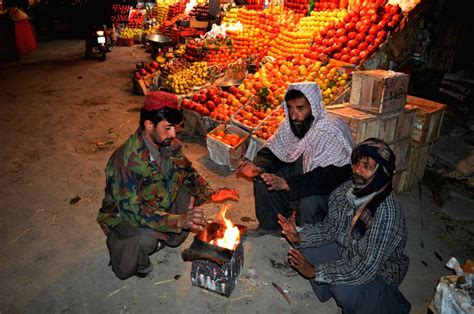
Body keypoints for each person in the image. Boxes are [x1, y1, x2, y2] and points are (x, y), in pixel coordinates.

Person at [97, 91, 239, 280]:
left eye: (175, 128)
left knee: (190, 196)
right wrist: (177, 220)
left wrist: (212, 193)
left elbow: (188, 173)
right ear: (149, 124)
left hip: (155, 202)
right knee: (143, 242)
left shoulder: (168, 143)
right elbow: (132, 211)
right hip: (127, 216)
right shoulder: (126, 160)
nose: (173, 134)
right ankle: (129, 250)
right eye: (168, 128)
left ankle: (163, 236)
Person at [278, 138, 411, 313]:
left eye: (366, 167)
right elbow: (330, 228)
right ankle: (326, 289)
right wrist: (299, 235)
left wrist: (316, 272)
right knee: (306, 248)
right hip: (348, 247)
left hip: (379, 268)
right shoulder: (347, 190)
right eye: (356, 163)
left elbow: (365, 268)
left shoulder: (386, 212)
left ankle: (391, 304)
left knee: (344, 288)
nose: (357, 170)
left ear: (381, 173)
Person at [238, 81, 353, 234]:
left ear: (313, 107)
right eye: (290, 108)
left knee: (310, 201)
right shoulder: (290, 125)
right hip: (302, 178)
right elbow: (273, 151)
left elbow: (329, 177)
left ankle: (308, 240)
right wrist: (258, 166)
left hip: (328, 189)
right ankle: (272, 226)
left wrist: (288, 184)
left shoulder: (328, 131)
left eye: (300, 108)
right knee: (263, 177)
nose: (294, 116)